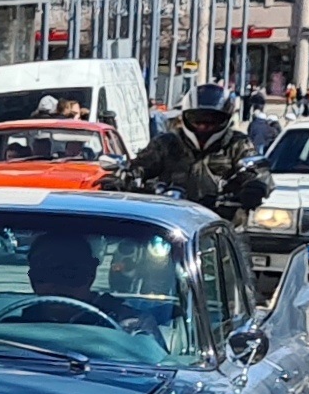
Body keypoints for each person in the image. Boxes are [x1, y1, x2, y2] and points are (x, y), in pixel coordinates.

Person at [130, 83, 270, 217]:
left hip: (220, 224)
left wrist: (254, 187)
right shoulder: (166, 143)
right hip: (169, 219)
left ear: (225, 120)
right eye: (197, 120)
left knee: (246, 239)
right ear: (185, 117)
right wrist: (123, 177)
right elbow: (137, 167)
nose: (203, 127)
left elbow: (259, 173)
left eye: (211, 121)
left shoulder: (238, 143)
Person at [17, 232, 155, 332]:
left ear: (90, 275)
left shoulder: (130, 326)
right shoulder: (13, 329)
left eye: (69, 275)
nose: (56, 286)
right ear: (32, 277)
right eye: (44, 274)